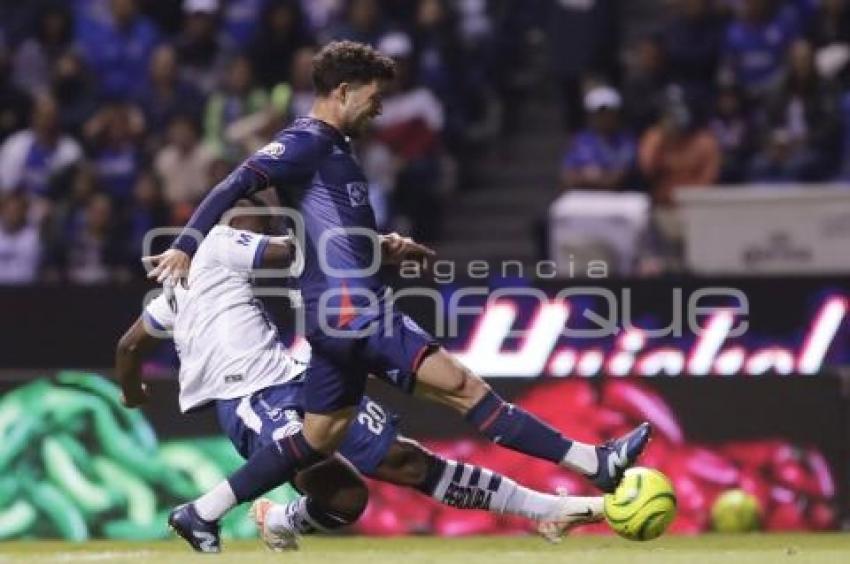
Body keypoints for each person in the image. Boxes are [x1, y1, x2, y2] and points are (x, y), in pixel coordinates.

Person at [144, 41, 650, 551]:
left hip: (331, 321)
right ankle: (593, 462)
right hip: (358, 313)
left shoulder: (333, 149)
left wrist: (382, 250)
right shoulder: (305, 142)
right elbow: (235, 182)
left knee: (317, 439)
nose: (380, 106)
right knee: (466, 390)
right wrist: (187, 245)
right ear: (342, 91)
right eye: (373, 95)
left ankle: (201, 512)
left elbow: (324, 242)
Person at [116, 198, 605, 552]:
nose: (263, 222)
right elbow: (295, 251)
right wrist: (384, 248)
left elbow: (130, 345)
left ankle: (546, 511)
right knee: (344, 492)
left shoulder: (181, 290)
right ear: (234, 221)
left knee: (400, 465)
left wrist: (133, 386)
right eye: (257, 215)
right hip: (250, 399)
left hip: (295, 379)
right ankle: (206, 513)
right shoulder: (221, 242)